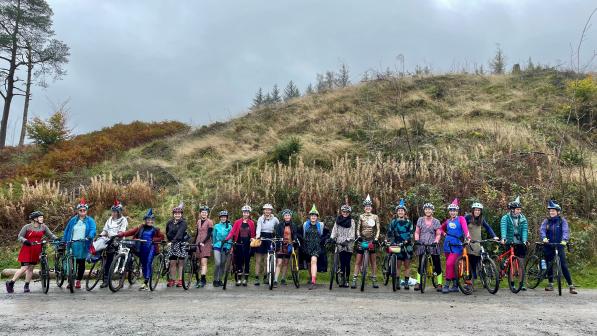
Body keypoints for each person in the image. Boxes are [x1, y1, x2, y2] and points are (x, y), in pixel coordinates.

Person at [5, 211, 57, 293]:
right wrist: (25, 240)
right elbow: (20, 236)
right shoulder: (27, 227)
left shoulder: (43, 227)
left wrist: (56, 239)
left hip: (37, 249)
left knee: (31, 268)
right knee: (24, 268)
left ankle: (26, 285)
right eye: (40, 217)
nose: (42, 218)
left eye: (42, 217)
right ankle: (11, 283)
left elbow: (50, 235)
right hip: (27, 248)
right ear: (35, 219)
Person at [118, 208, 165, 290]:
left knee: (148, 262)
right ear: (145, 220)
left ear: (153, 221)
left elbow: (161, 237)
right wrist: (122, 234)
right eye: (148, 219)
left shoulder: (155, 229)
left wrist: (153, 240)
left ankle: (146, 281)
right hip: (141, 248)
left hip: (151, 248)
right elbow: (131, 232)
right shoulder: (140, 227)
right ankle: (145, 280)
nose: (150, 221)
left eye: (151, 220)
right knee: (143, 264)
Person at [540, 200, 577, 294]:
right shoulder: (546, 221)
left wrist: (564, 240)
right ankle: (550, 284)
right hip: (548, 245)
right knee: (549, 264)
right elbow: (542, 230)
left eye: (553, 210)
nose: (551, 212)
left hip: (560, 245)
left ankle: (571, 286)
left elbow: (565, 231)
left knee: (564, 265)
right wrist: (544, 238)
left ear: (558, 212)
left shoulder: (562, 221)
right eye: (550, 211)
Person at [90, 199, 128, 288]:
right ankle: (105, 278)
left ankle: (120, 277)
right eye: (113, 211)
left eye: (116, 212)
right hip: (109, 240)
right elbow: (105, 230)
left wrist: (116, 235)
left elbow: (122, 231)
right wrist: (100, 235)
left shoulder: (123, 220)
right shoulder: (109, 219)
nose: (114, 213)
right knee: (106, 258)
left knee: (118, 258)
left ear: (119, 212)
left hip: (118, 240)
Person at [62, 198, 97, 289]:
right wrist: (64, 241)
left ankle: (78, 280)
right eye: (80, 210)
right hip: (72, 244)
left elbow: (93, 229)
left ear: (86, 211)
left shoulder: (90, 220)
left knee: (81, 263)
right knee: (71, 264)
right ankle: (71, 281)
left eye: (84, 210)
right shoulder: (73, 220)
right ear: (78, 211)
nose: (82, 212)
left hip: (83, 244)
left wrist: (90, 236)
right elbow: (67, 231)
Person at [464, 202, 498, 288]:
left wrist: (494, 236)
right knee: (471, 261)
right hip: (469, 242)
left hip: (477, 242)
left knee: (477, 259)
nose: (477, 212)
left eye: (479, 210)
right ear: (473, 210)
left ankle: (478, 277)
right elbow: (462, 227)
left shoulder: (481, 219)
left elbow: (488, 227)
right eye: (476, 210)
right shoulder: (468, 217)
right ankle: (470, 280)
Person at [440, 198, 470, 294]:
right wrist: (444, 234)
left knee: (449, 264)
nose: (452, 212)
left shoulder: (461, 219)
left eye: (454, 210)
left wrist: (468, 236)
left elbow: (465, 229)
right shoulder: (448, 221)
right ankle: (455, 285)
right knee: (451, 265)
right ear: (449, 212)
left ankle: (447, 284)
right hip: (447, 245)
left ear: (457, 211)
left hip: (457, 246)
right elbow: (440, 228)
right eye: (451, 210)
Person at [352, 194, 380, 289]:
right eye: (366, 206)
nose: (368, 208)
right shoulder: (361, 216)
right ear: (364, 208)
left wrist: (376, 238)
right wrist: (358, 236)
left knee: (373, 261)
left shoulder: (375, 217)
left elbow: (378, 229)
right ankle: (354, 279)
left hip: (371, 240)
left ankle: (374, 279)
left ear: (371, 207)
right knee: (358, 260)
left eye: (369, 206)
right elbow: (358, 228)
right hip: (362, 240)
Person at [500, 196, 528, 291]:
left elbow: (524, 230)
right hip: (509, 241)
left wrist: (524, 240)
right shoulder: (505, 218)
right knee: (512, 263)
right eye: (517, 209)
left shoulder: (523, 219)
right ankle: (511, 283)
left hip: (519, 242)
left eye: (520, 209)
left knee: (520, 263)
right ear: (512, 210)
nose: (519, 211)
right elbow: (503, 228)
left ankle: (521, 283)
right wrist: (503, 238)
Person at [414, 203, 443, 291]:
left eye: (429, 209)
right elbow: (417, 232)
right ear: (424, 210)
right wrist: (416, 240)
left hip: (432, 245)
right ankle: (418, 283)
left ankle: (439, 283)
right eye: (426, 209)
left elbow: (438, 234)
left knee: (437, 263)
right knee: (420, 264)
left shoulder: (436, 221)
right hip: (422, 244)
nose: (428, 210)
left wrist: (436, 242)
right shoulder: (420, 220)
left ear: (432, 211)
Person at [225, 205, 256, 286]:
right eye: (244, 212)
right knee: (239, 262)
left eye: (247, 213)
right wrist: (227, 238)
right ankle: (238, 279)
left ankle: (245, 279)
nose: (245, 214)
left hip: (248, 245)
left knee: (247, 261)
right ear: (242, 213)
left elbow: (253, 234)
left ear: (249, 214)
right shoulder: (237, 222)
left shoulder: (251, 223)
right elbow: (232, 232)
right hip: (238, 244)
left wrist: (253, 239)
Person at [387, 199, 414, 290]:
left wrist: (407, 241)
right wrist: (391, 241)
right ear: (397, 212)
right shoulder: (393, 222)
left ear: (405, 212)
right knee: (397, 265)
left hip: (407, 246)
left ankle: (406, 282)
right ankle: (397, 281)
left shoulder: (409, 222)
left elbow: (411, 234)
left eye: (402, 210)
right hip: (396, 245)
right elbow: (390, 233)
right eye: (399, 211)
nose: (400, 212)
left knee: (407, 265)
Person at [330, 204, 355, 288]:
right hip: (340, 242)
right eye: (343, 211)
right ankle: (341, 278)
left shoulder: (352, 221)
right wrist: (332, 238)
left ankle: (347, 279)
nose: (345, 213)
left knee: (347, 262)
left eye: (347, 212)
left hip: (348, 243)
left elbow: (352, 233)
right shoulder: (338, 220)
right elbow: (334, 230)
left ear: (349, 212)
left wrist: (347, 240)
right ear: (341, 212)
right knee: (341, 261)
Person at [254, 203, 279, 286]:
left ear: (271, 211)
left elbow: (278, 227)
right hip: (262, 237)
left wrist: (277, 236)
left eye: (269, 210)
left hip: (270, 238)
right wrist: (258, 237)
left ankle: (265, 277)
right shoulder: (260, 218)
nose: (267, 211)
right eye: (266, 209)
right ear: (264, 211)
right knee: (258, 259)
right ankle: (257, 278)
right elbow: (258, 228)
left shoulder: (275, 219)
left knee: (266, 259)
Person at [165, 202, 189, 288]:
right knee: (172, 263)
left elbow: (180, 233)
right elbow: (167, 232)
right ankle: (172, 280)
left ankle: (180, 280)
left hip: (181, 243)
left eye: (179, 214)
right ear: (173, 214)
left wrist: (173, 241)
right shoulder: (169, 222)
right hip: (172, 243)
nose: (177, 215)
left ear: (181, 215)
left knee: (181, 263)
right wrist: (168, 241)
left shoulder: (183, 223)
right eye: (176, 214)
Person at [273, 209, 298, 287]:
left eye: (288, 215)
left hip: (289, 245)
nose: (287, 217)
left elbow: (295, 234)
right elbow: (277, 234)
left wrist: (294, 239)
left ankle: (283, 278)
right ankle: (275, 280)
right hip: (281, 245)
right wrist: (281, 239)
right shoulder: (279, 225)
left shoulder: (293, 225)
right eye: (285, 215)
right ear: (283, 217)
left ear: (290, 216)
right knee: (279, 262)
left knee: (286, 262)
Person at [303, 204, 323, 290]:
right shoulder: (305, 224)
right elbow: (302, 234)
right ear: (309, 217)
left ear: (317, 217)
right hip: (307, 246)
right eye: (312, 215)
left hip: (316, 247)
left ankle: (313, 281)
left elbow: (325, 234)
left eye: (315, 216)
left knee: (313, 261)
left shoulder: (321, 225)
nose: (313, 217)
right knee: (309, 263)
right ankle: (311, 277)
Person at [212, 210, 232, 287]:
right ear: (220, 218)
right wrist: (214, 244)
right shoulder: (216, 226)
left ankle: (220, 279)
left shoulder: (229, 226)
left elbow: (230, 237)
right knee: (218, 263)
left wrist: (228, 247)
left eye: (225, 217)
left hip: (226, 246)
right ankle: (215, 280)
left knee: (223, 264)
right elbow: (214, 236)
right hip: (217, 245)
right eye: (222, 217)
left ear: (226, 218)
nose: (223, 218)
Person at [194, 205, 213, 288]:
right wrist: (195, 243)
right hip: (198, 244)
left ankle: (203, 279)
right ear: (200, 213)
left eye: (205, 212)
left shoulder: (210, 222)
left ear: (207, 213)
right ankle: (197, 280)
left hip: (206, 244)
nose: (204, 214)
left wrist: (204, 242)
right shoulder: (198, 221)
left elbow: (209, 234)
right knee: (197, 263)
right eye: (202, 212)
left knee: (203, 262)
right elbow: (197, 233)